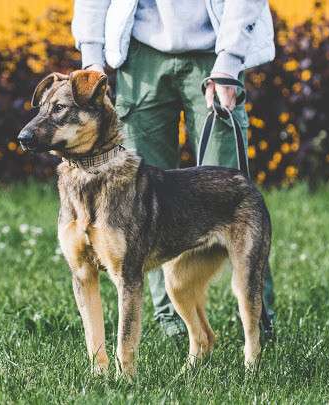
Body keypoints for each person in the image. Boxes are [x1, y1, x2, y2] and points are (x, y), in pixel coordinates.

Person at [72, 0, 276, 337]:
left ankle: (258, 321)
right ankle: (172, 321)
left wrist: (230, 59)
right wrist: (92, 55)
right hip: (140, 56)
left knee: (232, 195)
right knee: (136, 203)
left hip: (216, 52)